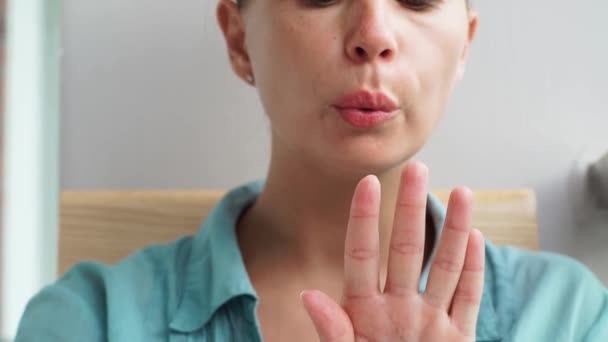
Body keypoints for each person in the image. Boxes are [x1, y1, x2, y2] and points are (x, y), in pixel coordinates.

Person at [15, 0, 608, 341]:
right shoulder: (88, 322)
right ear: (239, 37)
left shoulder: (570, 316)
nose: (374, 34)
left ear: (465, 48)